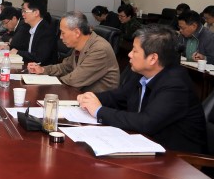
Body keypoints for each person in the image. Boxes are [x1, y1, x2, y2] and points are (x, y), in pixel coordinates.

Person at [78, 24, 206, 153]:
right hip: (146, 145)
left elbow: (146, 122)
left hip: (178, 157)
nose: (129, 54)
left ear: (153, 58)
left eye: (135, 51)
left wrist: (99, 111)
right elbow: (118, 97)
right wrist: (90, 97)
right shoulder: (141, 73)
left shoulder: (176, 85)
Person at [27, 11, 119, 92]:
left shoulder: (99, 49)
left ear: (77, 32)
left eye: (63, 33)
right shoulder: (80, 46)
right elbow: (65, 67)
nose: (60, 37)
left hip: (98, 102)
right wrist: (43, 70)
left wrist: (46, 82)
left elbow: (75, 80)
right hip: (79, 95)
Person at [10, 0, 57, 65]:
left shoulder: (46, 31)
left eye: (25, 11)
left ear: (36, 13)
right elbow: (24, 48)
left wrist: (18, 52)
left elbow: (39, 57)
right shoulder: (29, 28)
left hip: (42, 69)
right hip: (30, 66)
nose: (22, 14)